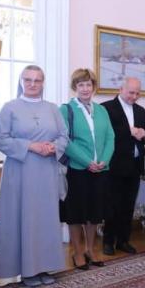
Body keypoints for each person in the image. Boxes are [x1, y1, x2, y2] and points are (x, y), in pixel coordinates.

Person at [0, 66, 68, 287]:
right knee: (25, 218)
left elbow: (64, 136)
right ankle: (27, 270)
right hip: (21, 171)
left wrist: (54, 147)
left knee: (45, 219)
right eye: (28, 80)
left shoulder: (52, 108)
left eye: (37, 80)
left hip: (46, 172)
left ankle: (45, 266)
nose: (32, 84)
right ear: (21, 81)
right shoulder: (10, 107)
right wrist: (30, 146)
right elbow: (0, 139)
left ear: (43, 83)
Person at [59, 68, 114, 270]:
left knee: (94, 212)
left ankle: (91, 249)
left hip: (100, 170)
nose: (85, 88)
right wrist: (86, 162)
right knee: (76, 213)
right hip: (77, 170)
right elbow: (64, 140)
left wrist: (104, 161)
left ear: (93, 87)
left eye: (88, 84)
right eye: (80, 84)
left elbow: (110, 137)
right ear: (75, 87)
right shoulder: (66, 110)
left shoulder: (102, 110)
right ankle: (77, 252)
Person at [102, 77, 145, 255]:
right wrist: (129, 132)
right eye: (131, 92)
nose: (134, 96)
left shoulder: (140, 110)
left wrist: (144, 134)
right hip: (115, 165)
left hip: (134, 165)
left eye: (138, 93)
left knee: (128, 206)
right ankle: (108, 242)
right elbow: (105, 135)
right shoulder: (106, 108)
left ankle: (123, 241)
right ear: (121, 89)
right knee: (112, 206)